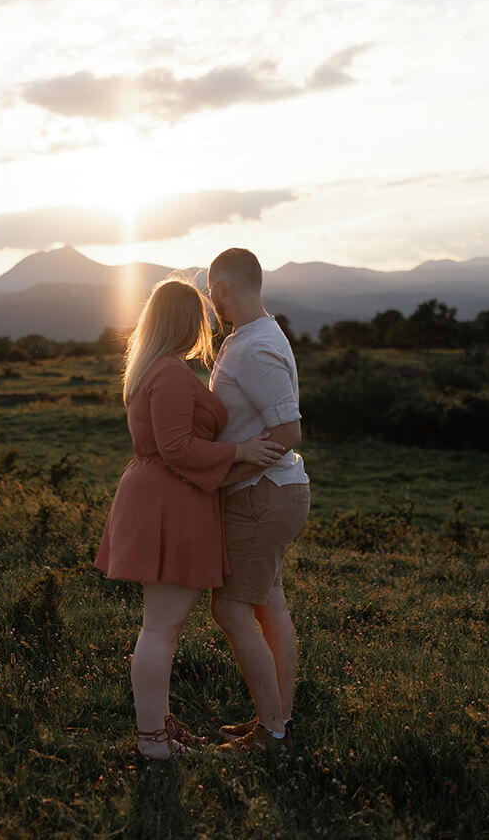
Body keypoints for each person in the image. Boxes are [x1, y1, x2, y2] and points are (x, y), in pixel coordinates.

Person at [95, 279, 285, 760]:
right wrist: (239, 449)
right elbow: (177, 447)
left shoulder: (155, 369)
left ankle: (157, 728)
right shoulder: (172, 375)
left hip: (163, 498)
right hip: (168, 503)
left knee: (161, 626)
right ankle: (153, 743)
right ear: (186, 322)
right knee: (160, 628)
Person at [204, 248, 310, 755]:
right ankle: (276, 722)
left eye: (211, 288)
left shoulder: (255, 346)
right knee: (269, 606)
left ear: (222, 288)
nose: (210, 298)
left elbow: (288, 428)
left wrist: (229, 471)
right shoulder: (249, 338)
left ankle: (272, 734)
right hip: (267, 492)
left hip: (259, 495)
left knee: (229, 609)